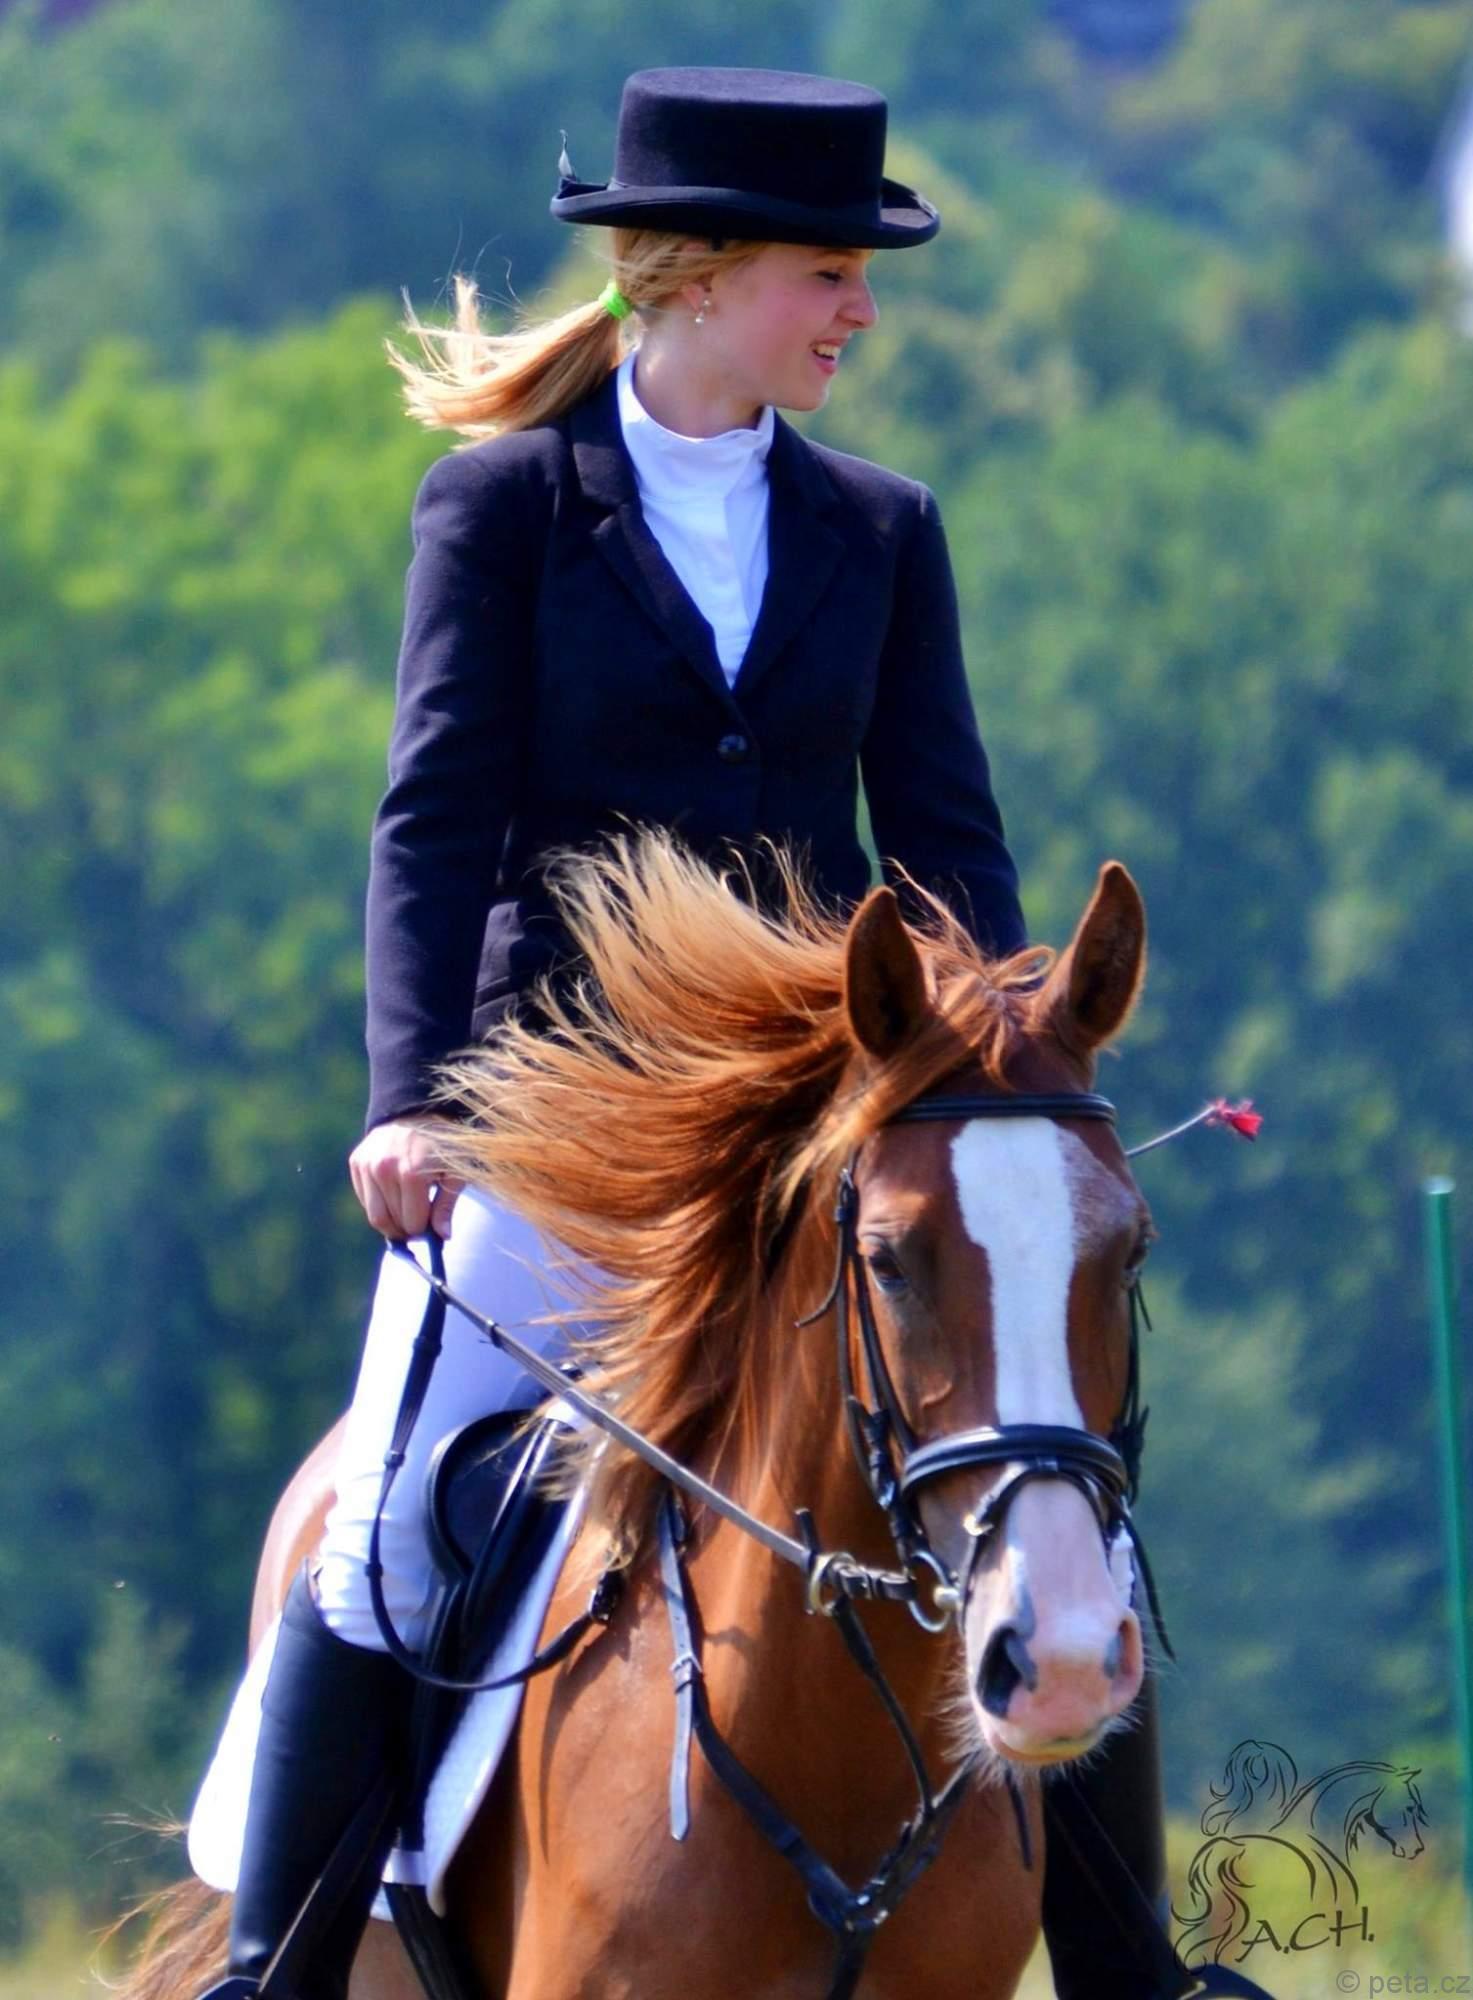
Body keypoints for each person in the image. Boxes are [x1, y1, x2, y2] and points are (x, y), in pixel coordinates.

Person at [197, 64, 1181, 2000]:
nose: (859, 310)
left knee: (1065, 1503)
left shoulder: (879, 528)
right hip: (555, 1139)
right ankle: (268, 1968)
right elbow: (433, 822)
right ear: (699, 275)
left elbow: (946, 833)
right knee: (387, 1521)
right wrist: (410, 1102)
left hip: (809, 1148)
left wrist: (995, 1075)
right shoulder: (502, 509)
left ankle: (1130, 1967)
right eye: (830, 272)